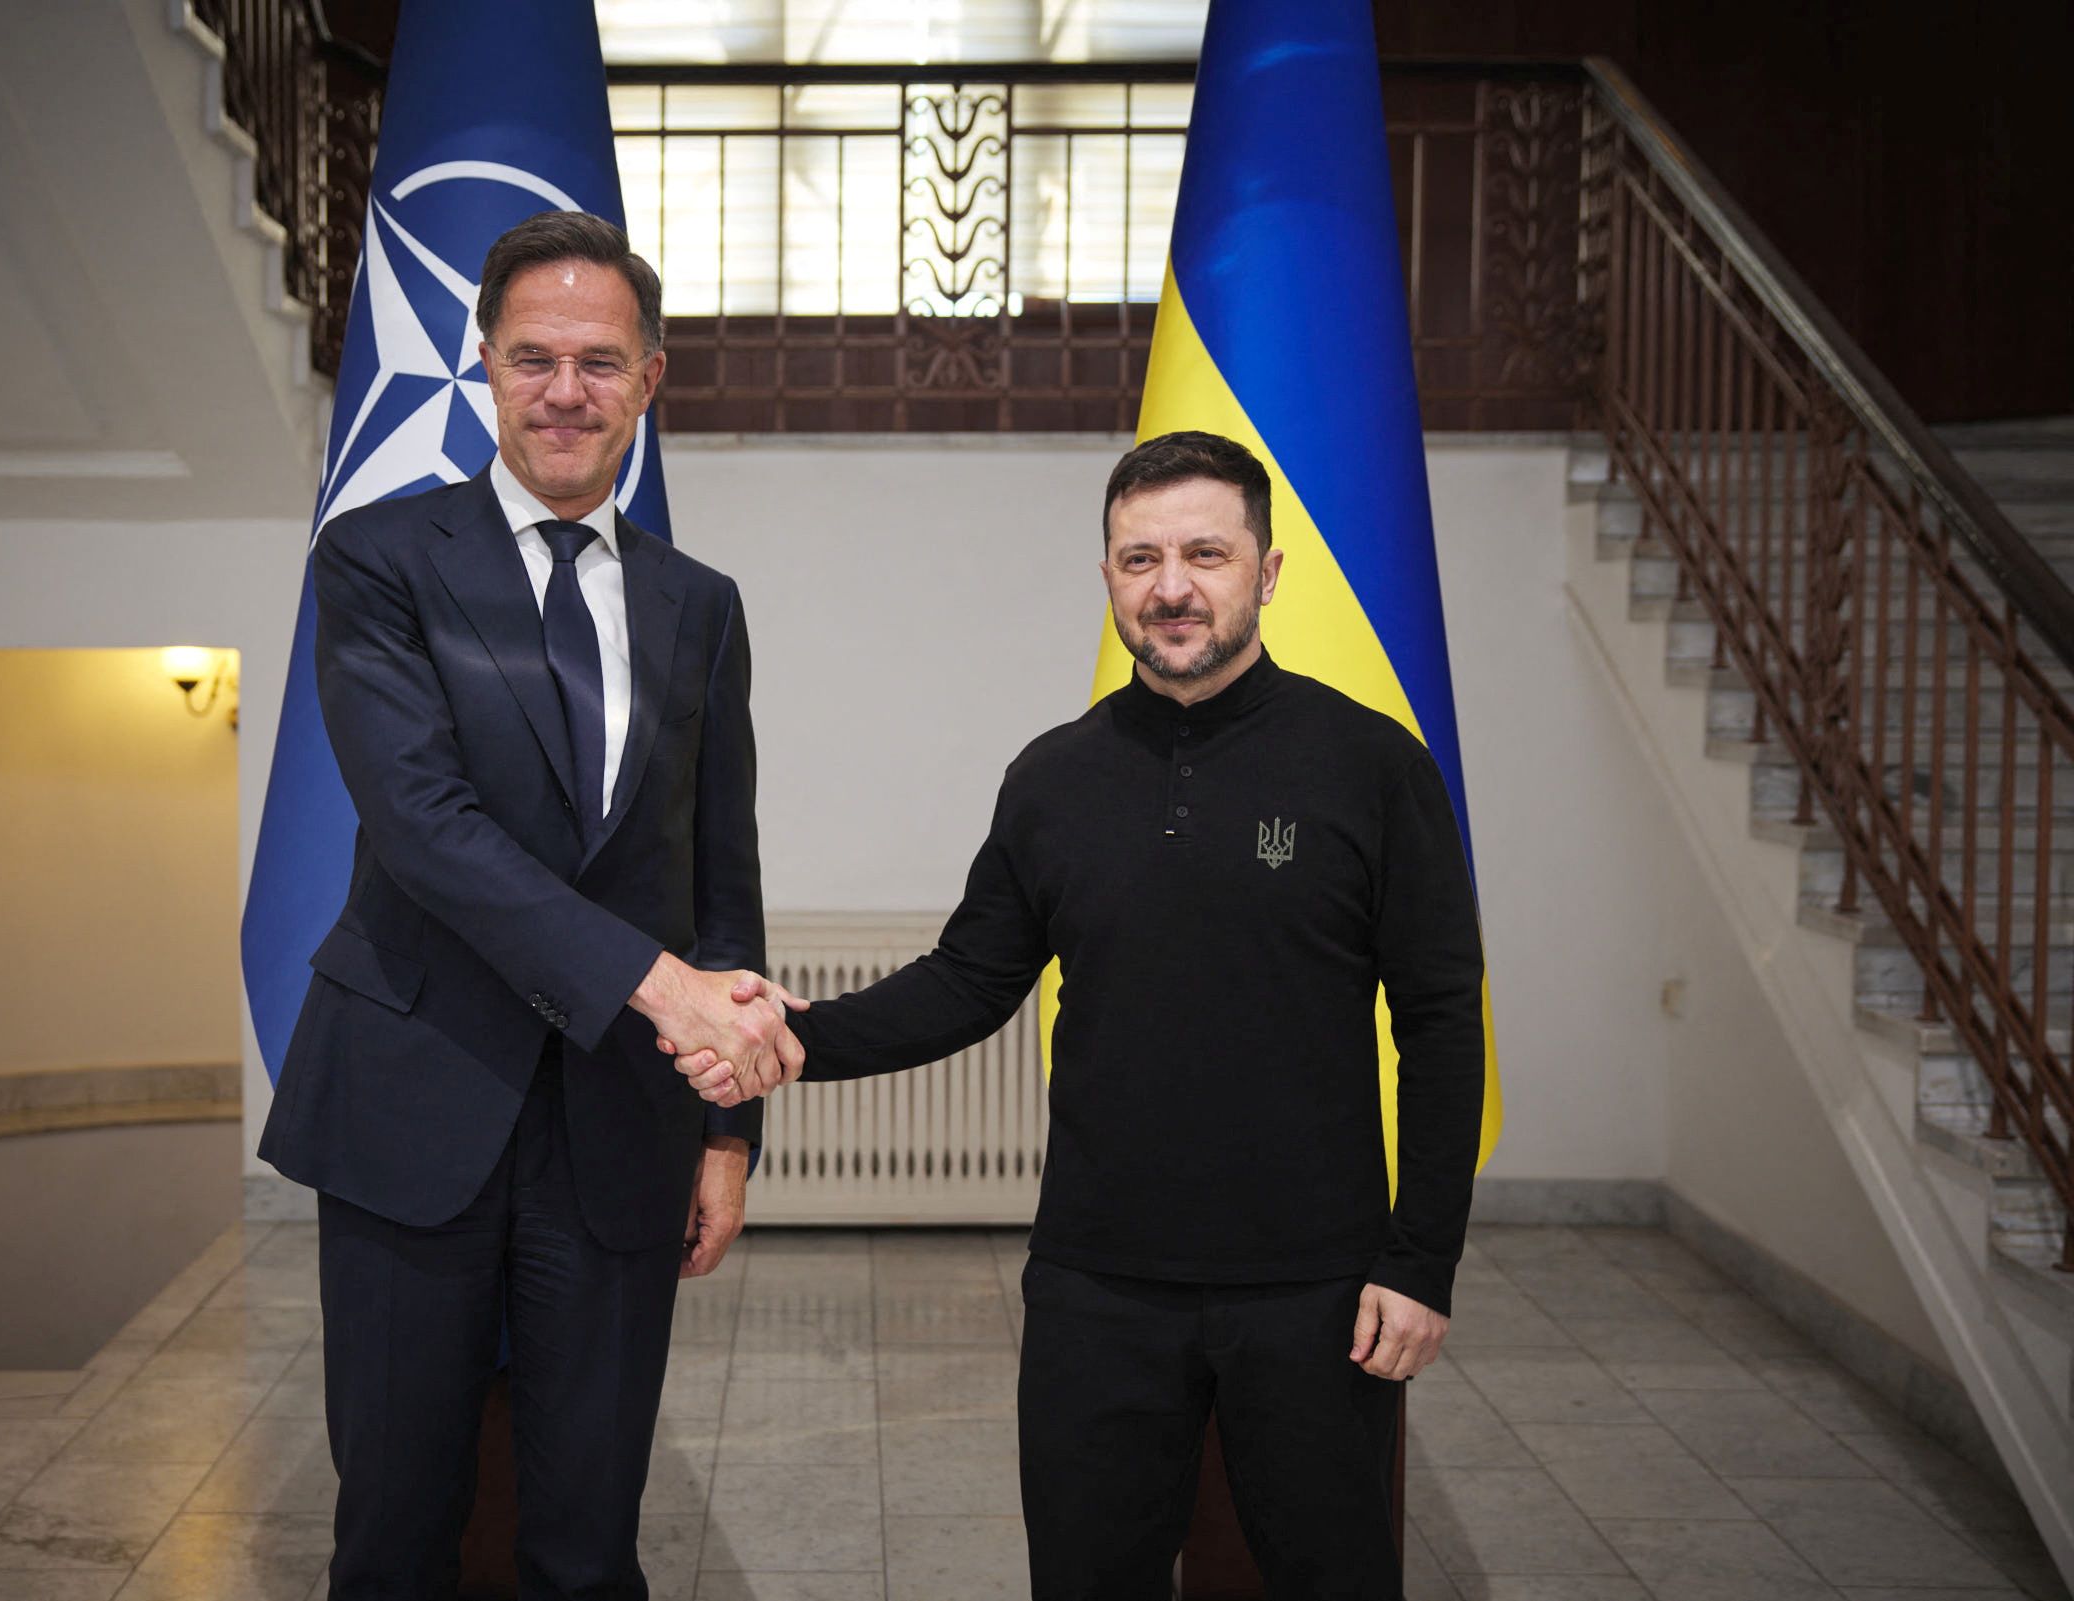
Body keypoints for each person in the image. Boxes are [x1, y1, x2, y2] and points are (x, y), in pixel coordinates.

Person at [675, 430, 1487, 1599]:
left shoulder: (1370, 765)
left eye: (1206, 552)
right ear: (1107, 574)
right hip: (1095, 1288)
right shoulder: (1053, 777)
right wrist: (786, 1040)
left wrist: (1423, 1260)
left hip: (1316, 1291)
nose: (1171, 586)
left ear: (1267, 569)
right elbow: (968, 980)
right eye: (1139, 556)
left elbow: (1441, 1021)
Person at [259, 210, 800, 1601]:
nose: (567, 390)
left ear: (650, 381)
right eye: (535, 357)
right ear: (485, 366)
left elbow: (716, 874)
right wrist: (664, 987)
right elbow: (425, 829)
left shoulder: (702, 604)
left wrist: (726, 1127)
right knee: (394, 1529)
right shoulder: (379, 561)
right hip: (408, 1108)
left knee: (587, 1540)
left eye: (600, 362)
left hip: (621, 1127)